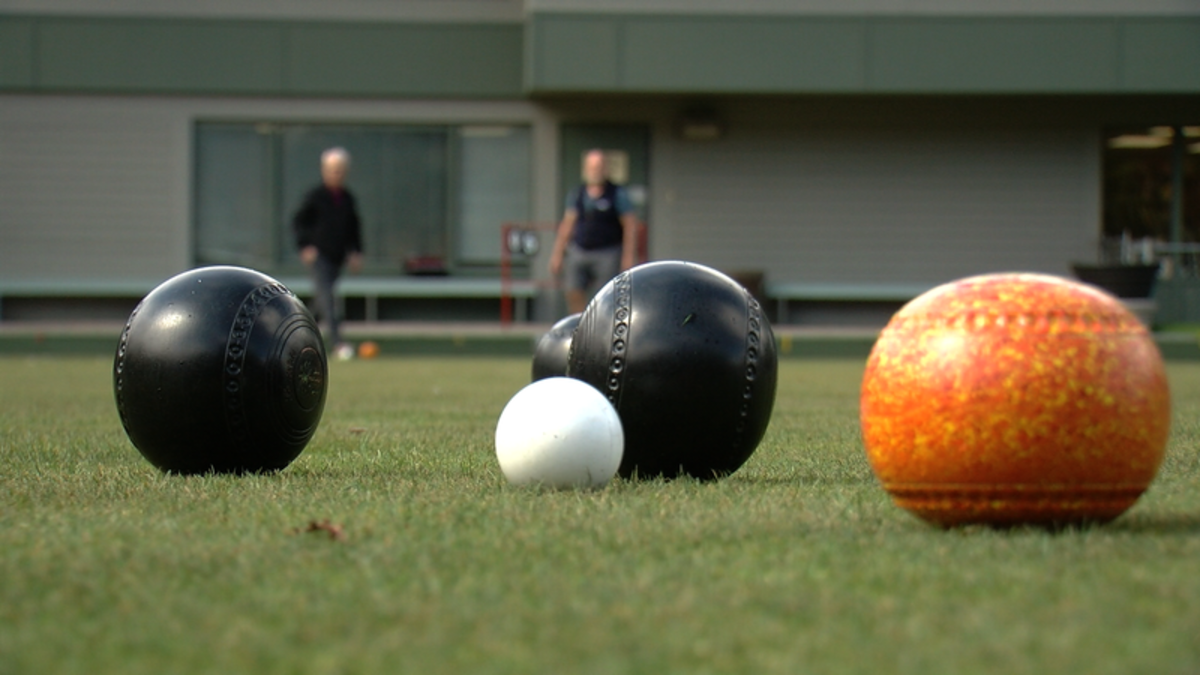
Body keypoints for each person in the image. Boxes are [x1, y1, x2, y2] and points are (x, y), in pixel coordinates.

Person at [549, 149, 640, 314]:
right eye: (592, 167)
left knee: (606, 293)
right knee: (572, 288)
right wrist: (557, 254)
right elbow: (567, 225)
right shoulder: (578, 194)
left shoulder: (617, 194)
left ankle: (601, 324)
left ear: (605, 169)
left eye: (599, 167)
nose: (595, 171)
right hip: (580, 249)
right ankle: (580, 323)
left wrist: (628, 256)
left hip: (608, 251)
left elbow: (630, 225)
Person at [292, 147, 363, 357]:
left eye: (340, 170)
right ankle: (338, 343)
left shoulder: (348, 198)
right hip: (319, 257)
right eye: (332, 170)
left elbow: (354, 228)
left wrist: (356, 252)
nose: (336, 174)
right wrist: (305, 246)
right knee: (328, 299)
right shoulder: (315, 196)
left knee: (319, 302)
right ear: (324, 171)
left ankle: (297, 337)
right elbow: (299, 223)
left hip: (337, 257)